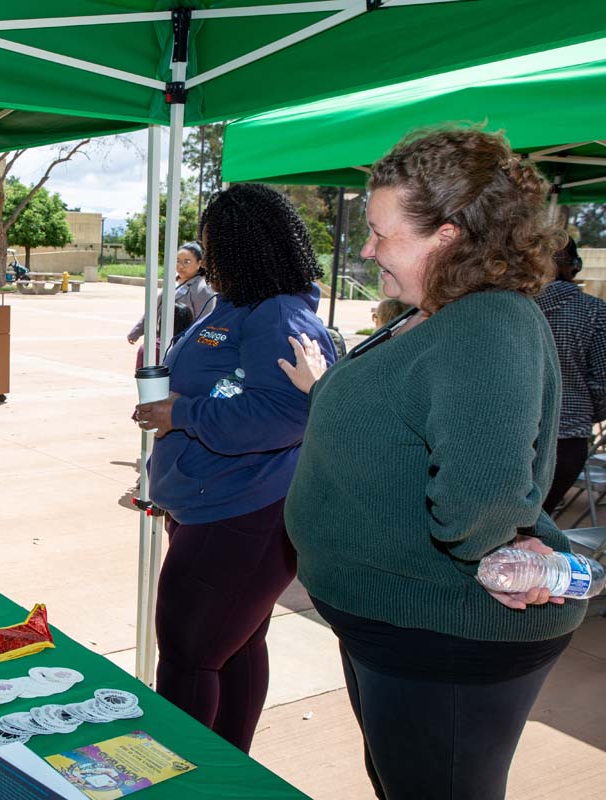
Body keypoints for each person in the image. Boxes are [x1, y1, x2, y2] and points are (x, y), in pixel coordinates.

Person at [281, 128, 585, 800]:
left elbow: (481, 501)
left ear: (447, 235)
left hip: (445, 635)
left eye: (380, 233)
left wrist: (497, 544)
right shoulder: (435, 313)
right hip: (394, 628)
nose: (365, 248)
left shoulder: (486, 326)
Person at [132, 183, 336, 753]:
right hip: (211, 503)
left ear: (242, 246)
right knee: (236, 646)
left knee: (188, 653)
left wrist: (184, 413)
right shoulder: (237, 306)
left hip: (246, 511)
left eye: (213, 244)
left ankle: (185, 777)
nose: (205, 257)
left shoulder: (278, 315)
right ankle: (230, 771)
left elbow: (286, 414)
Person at [536, 238, 606, 514]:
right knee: (535, 528)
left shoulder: (506, 309)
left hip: (512, 436)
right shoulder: (595, 312)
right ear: (574, 265)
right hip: (566, 443)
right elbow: (602, 383)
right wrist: (582, 413)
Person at [127, 241, 216, 367]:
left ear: (199, 263)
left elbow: (203, 320)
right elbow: (155, 309)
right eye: (178, 261)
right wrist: (137, 331)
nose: (181, 266)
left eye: (187, 262)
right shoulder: (171, 281)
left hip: (182, 343)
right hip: (161, 338)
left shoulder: (202, 288)